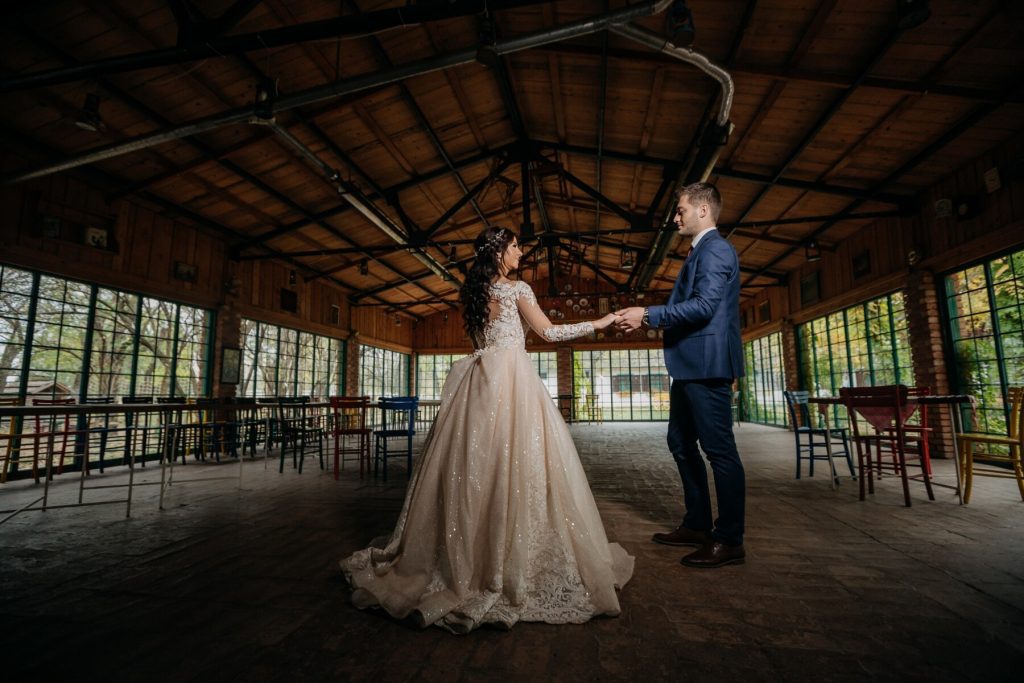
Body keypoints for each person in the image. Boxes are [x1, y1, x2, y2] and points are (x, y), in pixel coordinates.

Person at [340, 226, 634, 633]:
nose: (521, 252)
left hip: (479, 385)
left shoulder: (474, 294)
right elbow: (549, 332)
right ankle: (499, 565)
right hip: (512, 383)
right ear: (499, 252)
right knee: (513, 465)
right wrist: (599, 322)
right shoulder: (516, 290)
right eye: (515, 247)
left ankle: (470, 557)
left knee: (473, 469)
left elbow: (485, 340)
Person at [615, 182, 746, 568]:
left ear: (703, 211)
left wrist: (648, 315)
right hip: (689, 366)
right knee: (680, 442)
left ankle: (730, 539)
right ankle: (697, 523)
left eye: (681, 211)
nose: (675, 217)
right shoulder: (700, 252)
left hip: (707, 366)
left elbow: (704, 306)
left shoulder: (716, 249)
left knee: (720, 451)